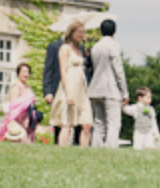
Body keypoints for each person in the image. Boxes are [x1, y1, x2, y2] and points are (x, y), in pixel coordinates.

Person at [50, 20, 93, 147]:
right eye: (79, 32)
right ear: (72, 33)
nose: (82, 35)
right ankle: (62, 150)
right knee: (67, 123)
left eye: (83, 33)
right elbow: (63, 70)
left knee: (87, 123)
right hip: (70, 86)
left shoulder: (81, 49)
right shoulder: (65, 48)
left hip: (82, 88)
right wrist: (68, 92)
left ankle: (84, 151)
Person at [88, 18, 129, 147]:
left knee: (99, 123)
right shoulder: (113, 45)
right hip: (110, 88)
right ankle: (111, 149)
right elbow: (118, 70)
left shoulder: (95, 47)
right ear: (114, 31)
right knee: (114, 122)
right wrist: (125, 92)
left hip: (95, 88)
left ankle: (96, 148)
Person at [0, 62, 38, 143]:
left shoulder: (28, 87)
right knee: (21, 141)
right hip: (18, 120)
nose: (26, 74)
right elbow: (13, 106)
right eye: (23, 72)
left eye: (27, 72)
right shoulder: (16, 87)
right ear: (18, 73)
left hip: (28, 120)